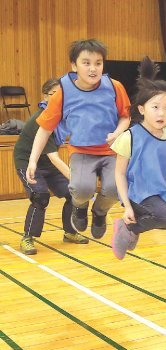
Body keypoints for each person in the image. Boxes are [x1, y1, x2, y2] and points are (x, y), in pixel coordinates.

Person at [26, 39, 131, 240]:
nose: (93, 68)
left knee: (115, 189)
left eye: (98, 63)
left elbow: (125, 117)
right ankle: (80, 207)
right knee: (82, 189)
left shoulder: (115, 87)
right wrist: (32, 160)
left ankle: (99, 213)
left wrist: (118, 132)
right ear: (74, 65)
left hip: (112, 152)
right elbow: (44, 129)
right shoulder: (63, 92)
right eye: (86, 63)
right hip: (82, 152)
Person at [110, 57, 166, 260]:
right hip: (138, 193)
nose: (162, 113)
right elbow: (118, 173)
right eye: (155, 107)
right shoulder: (131, 137)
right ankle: (127, 227)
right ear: (142, 109)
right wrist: (126, 205)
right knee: (164, 216)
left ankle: (135, 228)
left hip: (160, 192)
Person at [13, 78, 89, 254]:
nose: (57, 98)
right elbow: (55, 157)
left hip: (46, 161)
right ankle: (27, 238)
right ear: (45, 97)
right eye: (53, 94)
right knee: (40, 196)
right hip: (27, 162)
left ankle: (70, 232)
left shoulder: (63, 117)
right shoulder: (42, 119)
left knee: (72, 194)